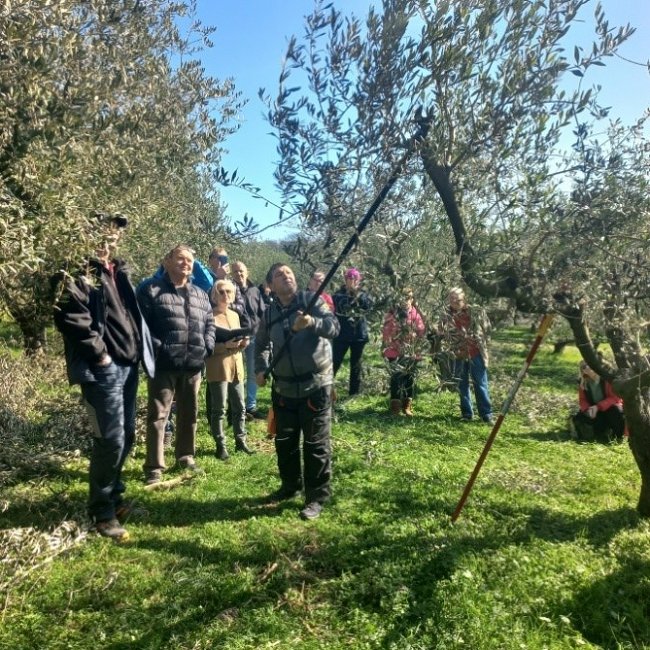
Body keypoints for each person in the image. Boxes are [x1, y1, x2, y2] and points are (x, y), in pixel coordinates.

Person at [53, 212, 155, 541]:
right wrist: (100, 354)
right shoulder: (76, 270)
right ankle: (101, 510)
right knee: (109, 439)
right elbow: (70, 316)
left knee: (126, 436)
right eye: (105, 229)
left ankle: (114, 496)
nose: (111, 236)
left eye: (116, 232)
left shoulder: (118, 270)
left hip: (127, 366)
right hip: (102, 370)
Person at [255, 263, 340, 520]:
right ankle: (290, 486)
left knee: (315, 444)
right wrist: (260, 368)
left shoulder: (311, 300)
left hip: (316, 386)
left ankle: (316, 497)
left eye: (289, 272)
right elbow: (260, 346)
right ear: (271, 284)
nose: (287, 276)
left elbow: (334, 327)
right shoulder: (268, 314)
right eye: (280, 274)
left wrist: (312, 322)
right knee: (285, 443)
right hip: (283, 389)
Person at [137, 244, 216, 485]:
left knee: (189, 414)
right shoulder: (151, 290)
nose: (186, 263)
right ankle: (154, 467)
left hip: (193, 363)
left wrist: (207, 346)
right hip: (163, 364)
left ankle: (185, 456)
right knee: (158, 415)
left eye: (189, 260)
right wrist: (156, 349)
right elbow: (140, 325)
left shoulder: (201, 294)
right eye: (180, 259)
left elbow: (210, 322)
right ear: (167, 261)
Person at [205, 279, 255, 458]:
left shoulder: (235, 315)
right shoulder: (208, 316)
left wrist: (243, 343)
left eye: (229, 292)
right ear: (214, 294)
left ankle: (241, 441)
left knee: (240, 406)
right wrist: (224, 345)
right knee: (219, 409)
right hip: (218, 367)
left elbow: (237, 342)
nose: (226, 295)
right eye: (222, 292)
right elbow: (205, 347)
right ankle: (221, 445)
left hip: (237, 366)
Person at [439, 287, 494, 423]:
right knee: (462, 385)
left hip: (476, 354)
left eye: (457, 299)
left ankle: (486, 414)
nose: (454, 301)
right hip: (458, 355)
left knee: (480, 384)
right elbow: (440, 334)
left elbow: (487, 329)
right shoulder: (445, 315)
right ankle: (467, 414)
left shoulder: (476, 311)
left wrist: (485, 347)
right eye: (451, 299)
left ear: (464, 299)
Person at [382, 288, 426, 416]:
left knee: (409, 378)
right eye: (403, 298)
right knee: (396, 378)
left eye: (408, 298)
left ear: (412, 299)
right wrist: (393, 343)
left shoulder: (415, 313)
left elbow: (421, 331)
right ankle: (395, 406)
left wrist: (414, 337)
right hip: (394, 351)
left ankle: (406, 406)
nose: (405, 301)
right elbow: (386, 332)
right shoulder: (392, 313)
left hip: (410, 351)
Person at [231, 261, 266, 420]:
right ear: (232, 274)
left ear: (247, 272)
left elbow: (262, 313)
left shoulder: (255, 291)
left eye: (241, 271)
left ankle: (250, 406)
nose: (239, 274)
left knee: (252, 372)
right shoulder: (229, 290)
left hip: (254, 337)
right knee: (235, 373)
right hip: (236, 337)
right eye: (235, 271)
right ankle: (235, 406)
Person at [332, 267, 372, 396]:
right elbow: (340, 305)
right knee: (335, 362)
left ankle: (354, 393)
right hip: (341, 335)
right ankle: (325, 388)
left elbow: (368, 306)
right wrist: (351, 295)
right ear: (345, 279)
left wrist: (357, 294)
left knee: (356, 365)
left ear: (359, 280)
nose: (352, 280)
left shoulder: (364, 294)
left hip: (359, 335)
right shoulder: (338, 295)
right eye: (350, 278)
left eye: (355, 278)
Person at [572, 361, 626, 442]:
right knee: (579, 417)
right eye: (583, 367)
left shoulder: (606, 379)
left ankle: (618, 436)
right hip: (595, 411)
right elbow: (582, 400)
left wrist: (598, 406)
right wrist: (587, 409)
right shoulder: (583, 382)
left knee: (616, 411)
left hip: (610, 409)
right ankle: (598, 434)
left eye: (588, 365)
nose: (586, 368)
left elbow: (615, 398)